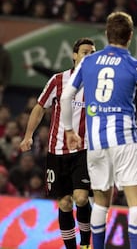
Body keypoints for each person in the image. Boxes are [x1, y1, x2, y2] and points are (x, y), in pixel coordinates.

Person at [61, 11, 137, 249]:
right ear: (130, 36)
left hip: (96, 142)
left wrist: (70, 130)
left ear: (106, 34)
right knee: (136, 202)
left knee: (101, 202)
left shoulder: (88, 61)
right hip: (125, 140)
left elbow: (67, 95)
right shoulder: (135, 65)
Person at [20, 38, 96, 249]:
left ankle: (86, 245)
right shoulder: (58, 80)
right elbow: (39, 107)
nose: (88, 56)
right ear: (74, 55)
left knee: (81, 198)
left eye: (92, 52)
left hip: (83, 149)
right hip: (57, 151)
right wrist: (28, 135)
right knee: (64, 202)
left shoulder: (98, 84)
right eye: (84, 52)